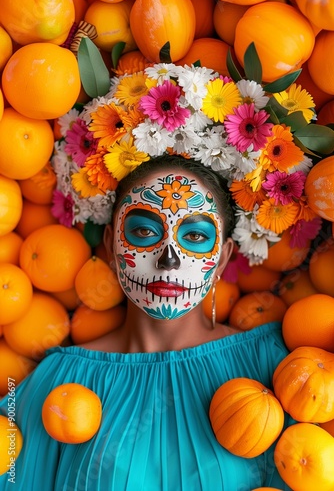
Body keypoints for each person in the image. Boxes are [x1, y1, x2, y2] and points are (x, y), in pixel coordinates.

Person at [0, 155, 292, 491]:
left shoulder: (273, 368)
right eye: (143, 230)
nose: (168, 260)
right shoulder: (56, 382)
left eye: (195, 237)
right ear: (111, 244)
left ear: (223, 258)